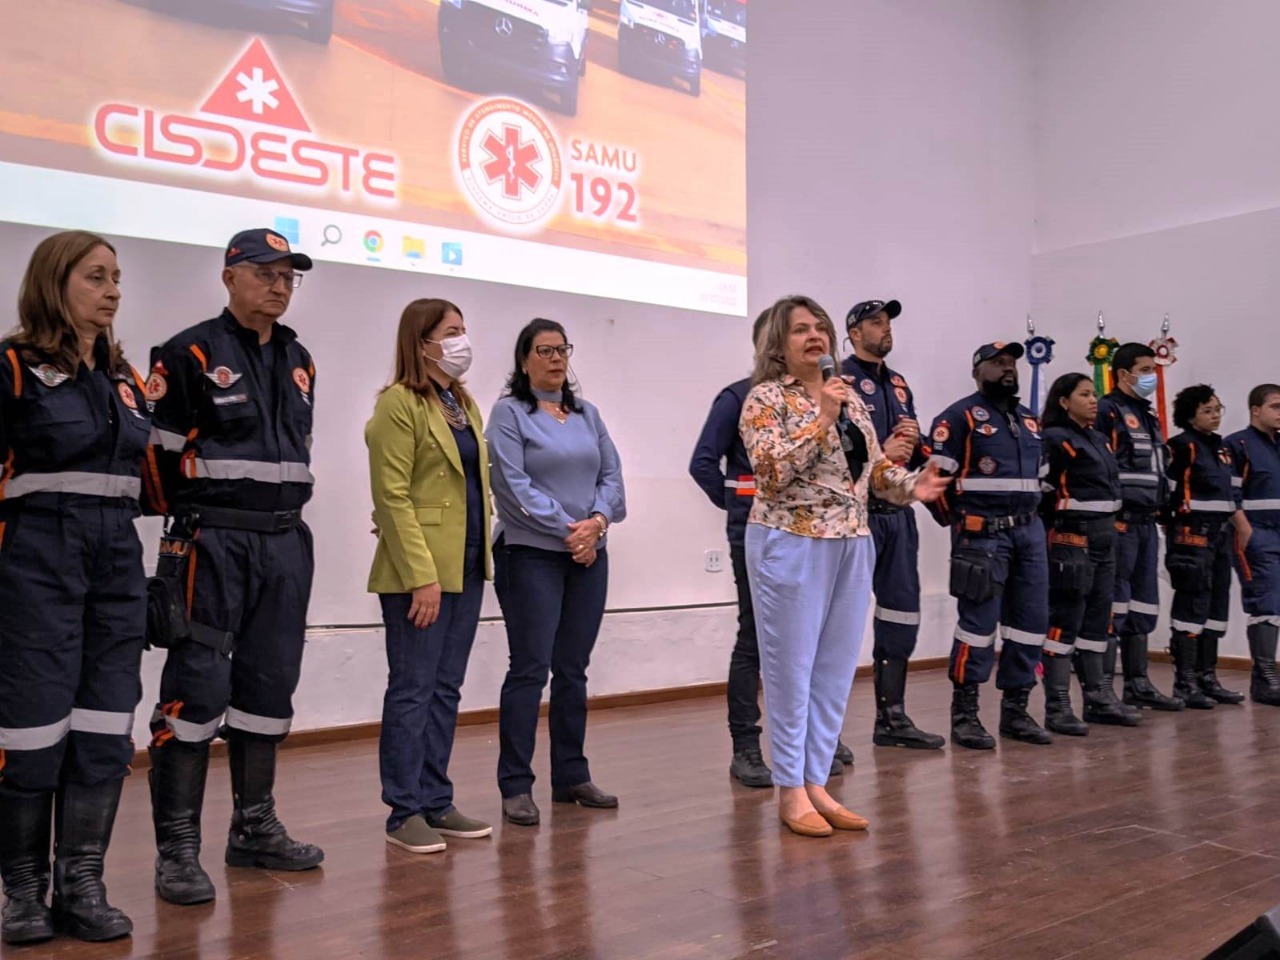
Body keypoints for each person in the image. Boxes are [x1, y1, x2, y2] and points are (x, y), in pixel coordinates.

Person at [143, 228, 323, 907]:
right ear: (230, 276)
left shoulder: (300, 356)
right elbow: (155, 462)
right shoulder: (188, 352)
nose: (279, 285)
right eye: (266, 272)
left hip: (285, 545)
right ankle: (178, 851)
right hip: (212, 546)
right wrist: (187, 528)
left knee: (269, 688)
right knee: (196, 692)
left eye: (289, 276)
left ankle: (253, 829)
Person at [739, 295, 948, 838]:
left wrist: (912, 486)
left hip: (852, 540)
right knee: (792, 670)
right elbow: (772, 475)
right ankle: (789, 790)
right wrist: (822, 417)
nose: (815, 337)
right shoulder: (765, 399)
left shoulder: (851, 400)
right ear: (778, 345)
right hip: (790, 540)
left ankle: (816, 783)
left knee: (833, 672)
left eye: (821, 328)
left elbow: (875, 470)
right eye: (800, 330)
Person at [0, 231, 151, 945]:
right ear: (56, 283)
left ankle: (81, 885)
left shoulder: (123, 378)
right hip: (36, 561)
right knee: (30, 730)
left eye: (116, 276)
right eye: (96, 276)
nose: (113, 289)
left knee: (103, 724)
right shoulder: (13, 367)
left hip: (116, 564)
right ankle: (23, 895)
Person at [366, 299, 494, 854]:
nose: (463, 341)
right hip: (420, 573)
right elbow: (391, 496)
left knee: (446, 689)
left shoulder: (462, 402)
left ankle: (437, 799)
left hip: (466, 564)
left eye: (464, 330)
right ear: (422, 344)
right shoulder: (398, 403)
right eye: (451, 332)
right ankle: (404, 810)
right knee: (413, 689)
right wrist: (422, 576)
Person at [487, 319, 626, 827]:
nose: (555, 358)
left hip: (588, 555)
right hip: (531, 555)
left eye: (562, 348)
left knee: (573, 669)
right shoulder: (508, 413)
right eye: (543, 350)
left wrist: (597, 524)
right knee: (530, 668)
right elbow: (511, 485)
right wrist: (573, 531)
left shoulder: (588, 414)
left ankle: (571, 776)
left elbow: (612, 477)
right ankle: (516, 785)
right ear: (524, 360)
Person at [924, 342, 1051, 750]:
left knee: (1030, 624)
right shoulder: (958, 417)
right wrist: (957, 524)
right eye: (998, 364)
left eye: (1011, 363)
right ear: (978, 371)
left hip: (1029, 534)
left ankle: (1015, 710)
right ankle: (966, 715)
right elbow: (936, 481)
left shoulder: (1030, 420)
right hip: (982, 535)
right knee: (978, 627)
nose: (1008, 369)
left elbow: (1042, 479)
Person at [841, 298, 943, 750]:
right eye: (876, 323)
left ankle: (892, 718)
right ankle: (829, 734)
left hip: (898, 515)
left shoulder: (899, 384)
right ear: (853, 333)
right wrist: (881, 452)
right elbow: (837, 452)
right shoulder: (837, 381)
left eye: (888, 323)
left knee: (901, 612)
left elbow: (911, 447)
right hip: (855, 516)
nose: (886, 330)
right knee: (838, 621)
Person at [688, 310, 776, 788]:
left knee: (805, 641)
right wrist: (739, 504)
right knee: (756, 638)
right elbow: (703, 462)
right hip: (755, 532)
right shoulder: (737, 397)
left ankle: (811, 738)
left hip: (807, 535)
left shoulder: (813, 401)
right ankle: (746, 747)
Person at [1038, 373, 1139, 734]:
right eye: (1084, 394)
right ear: (1063, 402)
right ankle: (1059, 706)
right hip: (1072, 538)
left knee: (1099, 620)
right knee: (1066, 618)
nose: (1093, 400)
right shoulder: (1053, 439)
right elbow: (1042, 493)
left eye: (1094, 393)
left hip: (1104, 538)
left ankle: (1098, 698)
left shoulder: (1099, 438)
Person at [1095, 344, 1183, 711]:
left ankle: (1138, 683)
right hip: (1119, 524)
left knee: (1143, 606)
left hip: (1148, 525)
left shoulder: (1148, 416)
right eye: (1144, 369)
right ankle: (1101, 689)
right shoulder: (1108, 410)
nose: (1151, 376)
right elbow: (1100, 464)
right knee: (1114, 606)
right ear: (1122, 373)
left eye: (1153, 369)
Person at [1165, 385, 1250, 709]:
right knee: (1192, 606)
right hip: (1191, 534)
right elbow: (1167, 489)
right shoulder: (1181, 446)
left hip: (1220, 535)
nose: (1215, 416)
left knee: (1216, 607)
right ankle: (1185, 682)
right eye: (1207, 411)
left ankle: (1207, 677)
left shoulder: (1221, 448)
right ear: (1190, 415)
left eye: (1218, 409)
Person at [1226, 384, 1280, 706]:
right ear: (1255, 410)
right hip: (1256, 534)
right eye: (1275, 406)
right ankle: (1265, 679)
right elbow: (1230, 493)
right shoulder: (1237, 444)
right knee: (1267, 601)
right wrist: (1244, 530)